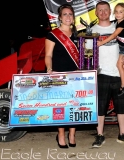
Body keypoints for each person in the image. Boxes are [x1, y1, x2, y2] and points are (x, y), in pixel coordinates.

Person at [85, 1, 124, 148]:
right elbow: (88, 54)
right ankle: (100, 135)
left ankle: (122, 134)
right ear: (96, 13)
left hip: (119, 74)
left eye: (106, 10)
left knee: (122, 106)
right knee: (100, 107)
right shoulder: (90, 31)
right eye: (100, 10)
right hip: (101, 74)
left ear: (110, 11)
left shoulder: (118, 26)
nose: (103, 12)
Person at [45, 4, 79, 149]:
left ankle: (72, 134)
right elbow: (48, 55)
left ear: (73, 17)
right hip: (59, 75)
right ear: (59, 17)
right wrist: (49, 68)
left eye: (70, 14)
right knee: (60, 107)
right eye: (65, 14)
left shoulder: (78, 35)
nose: (68, 17)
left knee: (75, 106)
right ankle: (60, 134)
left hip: (76, 76)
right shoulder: (53, 35)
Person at [97, 2, 124, 96]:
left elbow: (114, 35)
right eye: (116, 12)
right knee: (123, 67)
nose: (118, 14)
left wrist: (101, 43)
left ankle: (123, 86)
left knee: (119, 65)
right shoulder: (118, 23)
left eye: (121, 12)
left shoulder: (122, 24)